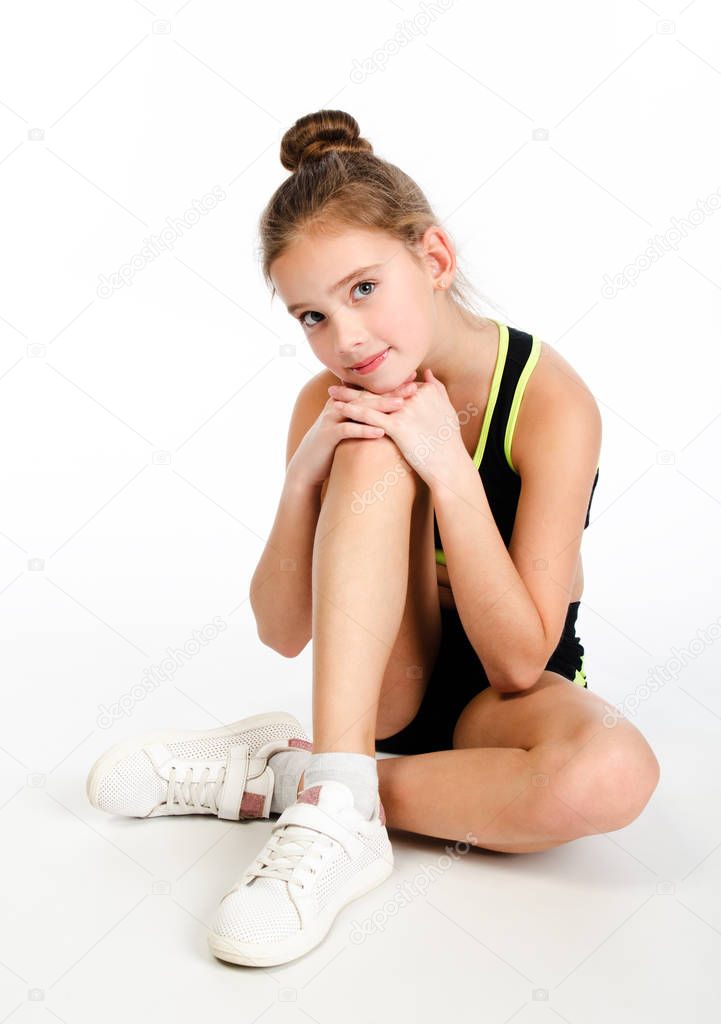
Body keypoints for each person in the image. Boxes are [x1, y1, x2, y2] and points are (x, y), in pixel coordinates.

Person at [85, 109, 660, 968]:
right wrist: (302, 479)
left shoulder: (547, 402)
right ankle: (340, 786)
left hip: (507, 700)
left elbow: (517, 664)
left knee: (612, 775)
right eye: (310, 316)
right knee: (366, 446)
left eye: (362, 289)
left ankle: (308, 783)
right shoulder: (333, 397)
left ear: (432, 259)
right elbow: (282, 630)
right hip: (386, 692)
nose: (346, 339)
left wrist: (450, 468)